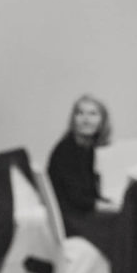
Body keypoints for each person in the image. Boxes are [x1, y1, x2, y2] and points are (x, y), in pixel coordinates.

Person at [47, 94, 119, 260]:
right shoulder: (67, 150)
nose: (86, 119)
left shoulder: (86, 148)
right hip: (73, 220)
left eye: (93, 114)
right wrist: (105, 206)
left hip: (79, 214)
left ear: (102, 120)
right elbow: (78, 198)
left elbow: (88, 191)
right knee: (125, 229)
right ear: (73, 119)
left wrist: (105, 202)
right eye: (80, 113)